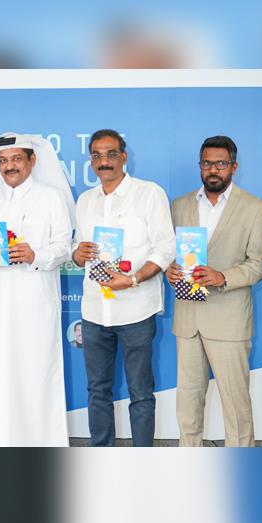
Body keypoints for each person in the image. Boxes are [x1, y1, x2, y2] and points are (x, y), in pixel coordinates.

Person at [0, 133, 75, 446]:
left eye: (16, 159)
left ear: (32, 160)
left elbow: (64, 247)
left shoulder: (51, 197)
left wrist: (35, 255)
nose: (9, 166)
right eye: (3, 160)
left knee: (34, 374)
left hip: (34, 303)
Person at [72, 129, 174, 447]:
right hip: (94, 312)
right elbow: (77, 249)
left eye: (111, 154)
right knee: (97, 390)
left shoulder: (149, 194)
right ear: (91, 160)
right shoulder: (85, 201)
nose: (104, 162)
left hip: (136, 310)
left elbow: (165, 248)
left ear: (124, 156)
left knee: (140, 393)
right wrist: (77, 254)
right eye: (97, 156)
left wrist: (132, 279)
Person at [167, 136, 262, 447]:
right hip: (188, 320)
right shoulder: (179, 205)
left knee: (236, 407)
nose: (213, 170)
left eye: (221, 163)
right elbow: (169, 253)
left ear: (234, 167)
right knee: (187, 404)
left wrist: (222, 276)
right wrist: (170, 269)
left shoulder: (254, 208)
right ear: (200, 166)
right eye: (207, 163)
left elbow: (259, 263)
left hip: (229, 320)